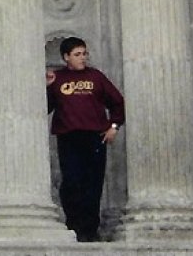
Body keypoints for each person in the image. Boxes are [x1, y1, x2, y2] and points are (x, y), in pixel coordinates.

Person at [46, 36, 125, 242]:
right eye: (77, 55)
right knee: (72, 182)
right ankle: (74, 225)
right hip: (68, 137)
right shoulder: (57, 79)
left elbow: (117, 102)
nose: (82, 58)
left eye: (84, 54)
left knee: (93, 184)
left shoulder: (96, 77)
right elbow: (44, 109)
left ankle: (90, 231)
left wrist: (114, 126)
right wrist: (46, 88)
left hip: (94, 136)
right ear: (66, 57)